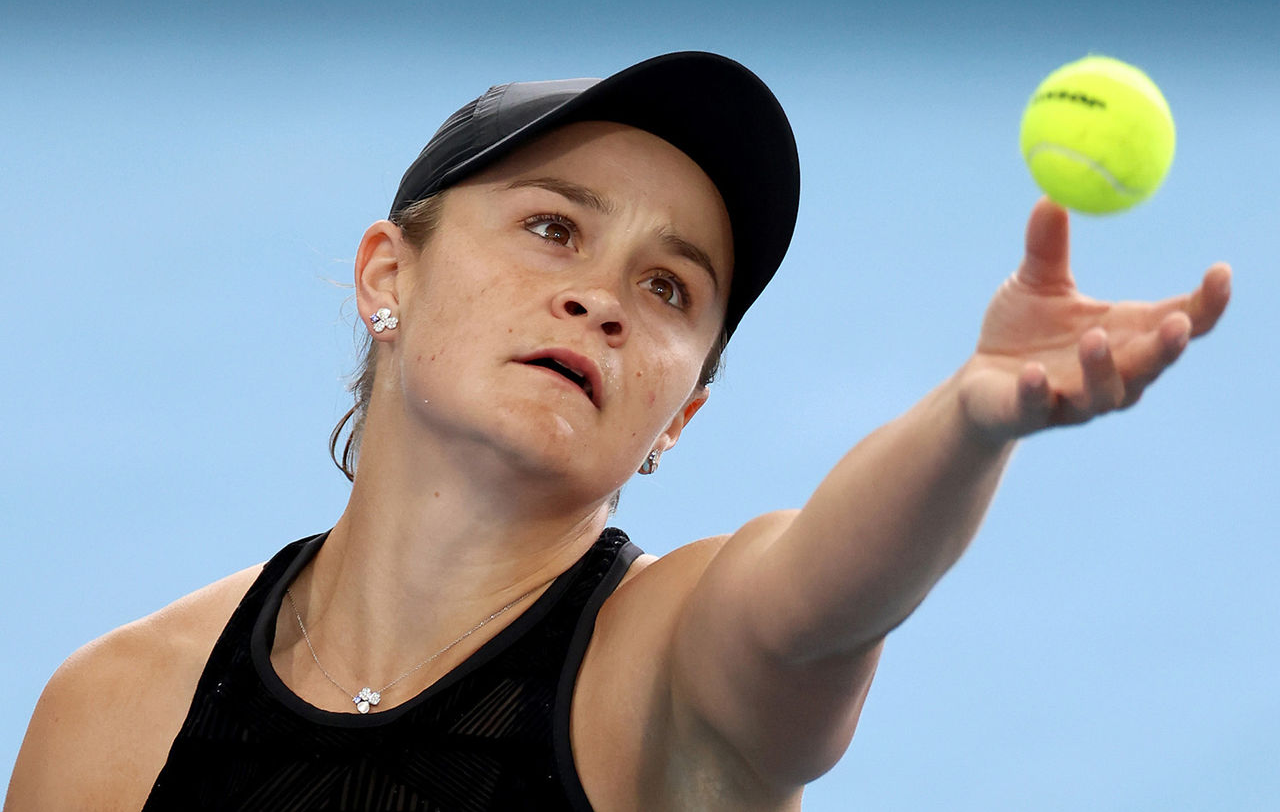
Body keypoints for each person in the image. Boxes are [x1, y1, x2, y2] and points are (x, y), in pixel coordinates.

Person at [5, 52, 1230, 811]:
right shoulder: (114, 714)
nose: (600, 295)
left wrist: (968, 423)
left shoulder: (674, 673)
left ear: (679, 414)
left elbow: (818, 595)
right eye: (552, 228)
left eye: (668, 288)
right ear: (389, 274)